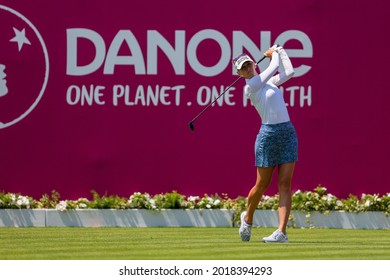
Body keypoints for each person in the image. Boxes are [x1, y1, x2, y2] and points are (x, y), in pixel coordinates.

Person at [233, 45, 297, 243]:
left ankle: (281, 232)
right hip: (268, 136)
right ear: (240, 73)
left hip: (287, 132)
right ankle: (248, 218)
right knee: (261, 185)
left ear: (254, 63)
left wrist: (281, 50)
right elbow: (274, 66)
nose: (247, 68)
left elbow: (289, 72)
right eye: (243, 68)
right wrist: (274, 55)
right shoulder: (250, 87)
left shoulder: (271, 83)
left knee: (285, 184)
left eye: (249, 64)